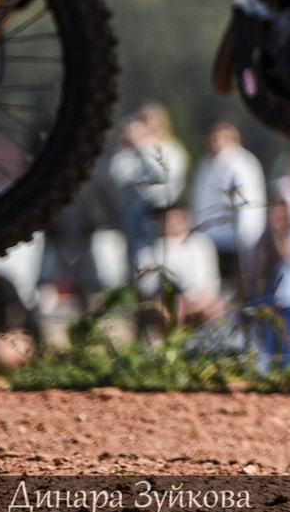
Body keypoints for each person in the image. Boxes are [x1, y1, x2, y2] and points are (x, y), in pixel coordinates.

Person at [244, 180, 290, 364]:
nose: (276, 214)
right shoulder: (260, 242)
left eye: (282, 209)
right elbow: (253, 280)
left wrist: (278, 237)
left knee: (289, 271)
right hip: (267, 300)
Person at [189, 121, 265, 298]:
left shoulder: (242, 163)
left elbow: (246, 200)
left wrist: (246, 234)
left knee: (237, 281)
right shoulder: (206, 164)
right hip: (212, 234)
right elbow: (200, 199)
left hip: (235, 234)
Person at [106, 104, 190, 262]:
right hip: (137, 218)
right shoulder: (130, 153)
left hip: (165, 218)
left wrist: (144, 145)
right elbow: (117, 175)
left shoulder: (172, 149)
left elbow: (164, 173)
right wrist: (124, 146)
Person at [134, 203, 223, 337]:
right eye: (168, 219)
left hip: (199, 298)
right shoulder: (147, 250)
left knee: (216, 308)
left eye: (177, 217)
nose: (174, 223)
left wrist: (197, 300)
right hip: (166, 302)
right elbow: (147, 288)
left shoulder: (201, 244)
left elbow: (211, 281)